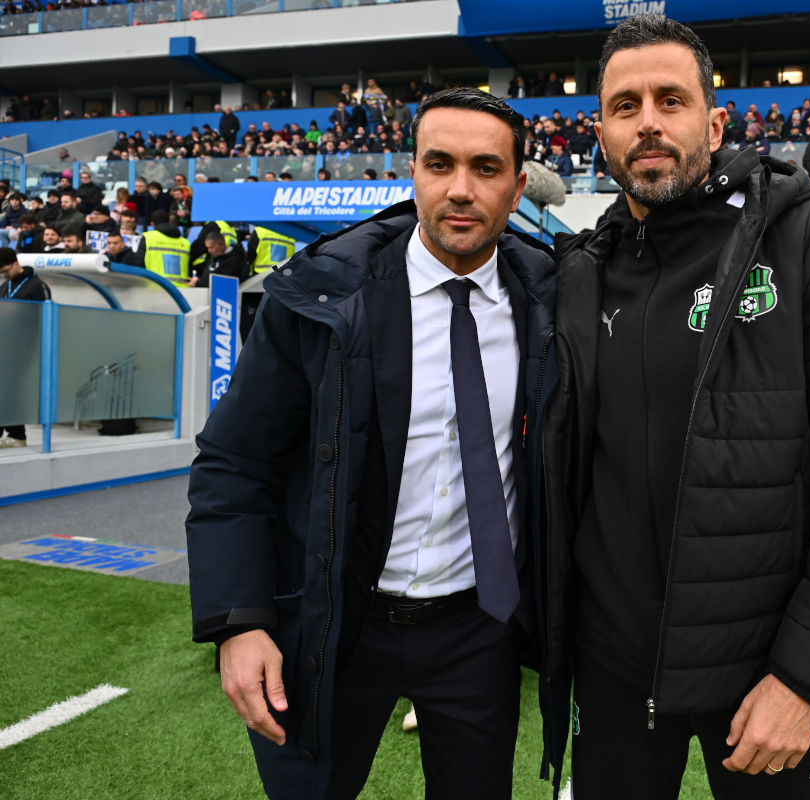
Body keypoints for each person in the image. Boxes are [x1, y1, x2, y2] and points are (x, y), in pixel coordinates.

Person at [543, 16, 810, 799]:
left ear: (714, 125)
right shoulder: (584, 269)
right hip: (612, 667)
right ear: (601, 135)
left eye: (670, 100)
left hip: (767, 676)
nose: (648, 122)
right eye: (625, 106)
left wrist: (806, 676)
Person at [187, 87, 555, 800]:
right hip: (337, 622)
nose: (459, 189)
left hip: (479, 629)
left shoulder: (553, 299)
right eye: (439, 164)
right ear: (411, 172)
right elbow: (235, 464)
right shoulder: (319, 296)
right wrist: (239, 622)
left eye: (485, 168)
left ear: (517, 187)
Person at [0, 246, 51, 448]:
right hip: (5, 347)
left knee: (11, 390)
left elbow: (44, 319)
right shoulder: (4, 286)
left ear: (16, 263)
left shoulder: (37, 286)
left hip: (24, 350)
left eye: (5, 271)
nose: (4, 275)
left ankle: (17, 435)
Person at [143, 210, 191, 286]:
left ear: (152, 224)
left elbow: (139, 263)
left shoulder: (148, 238)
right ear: (168, 221)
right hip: (180, 289)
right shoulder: (185, 242)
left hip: (154, 287)